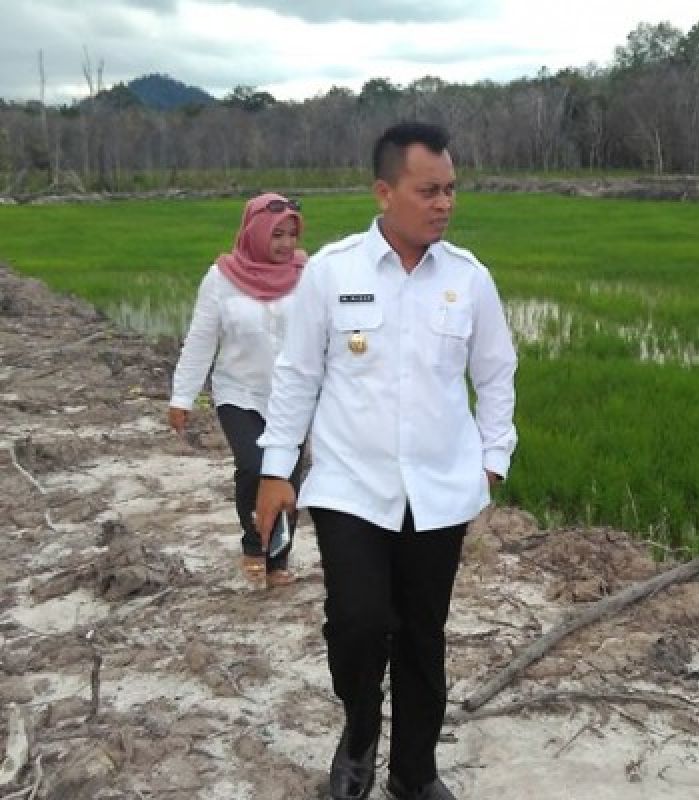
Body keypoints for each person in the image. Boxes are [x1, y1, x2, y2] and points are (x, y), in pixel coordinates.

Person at [254, 122, 517, 800]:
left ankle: (414, 771)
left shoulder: (468, 279)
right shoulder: (334, 273)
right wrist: (276, 470)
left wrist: (491, 459)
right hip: (351, 487)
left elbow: (496, 374)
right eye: (428, 190)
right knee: (360, 622)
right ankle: (361, 733)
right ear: (384, 191)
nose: (444, 203)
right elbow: (296, 375)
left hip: (440, 490)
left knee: (424, 636)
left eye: (451, 190)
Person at [168, 192, 307, 589]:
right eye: (276, 234)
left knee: (288, 478)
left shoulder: (307, 274)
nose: (285, 245)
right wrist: (182, 398)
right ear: (254, 232)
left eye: (291, 235)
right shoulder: (222, 278)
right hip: (238, 393)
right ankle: (253, 544)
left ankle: (278, 560)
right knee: (254, 466)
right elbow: (200, 341)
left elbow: (325, 335)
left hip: (292, 398)